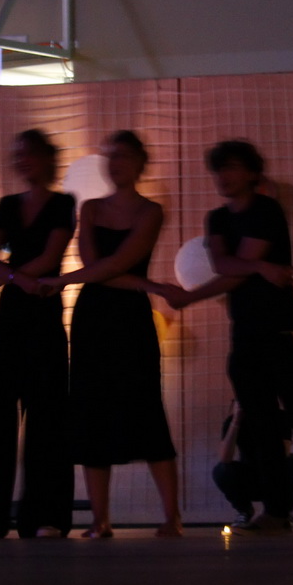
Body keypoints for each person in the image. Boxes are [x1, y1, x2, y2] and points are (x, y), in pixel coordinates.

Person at [157, 139, 293, 533]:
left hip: (280, 328)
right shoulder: (217, 219)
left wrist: (198, 293)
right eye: (219, 169)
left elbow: (235, 267)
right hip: (245, 331)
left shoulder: (266, 210)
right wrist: (259, 268)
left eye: (232, 167)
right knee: (260, 425)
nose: (223, 176)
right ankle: (276, 511)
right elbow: (224, 264)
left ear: (252, 172)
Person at [43, 130, 180, 538]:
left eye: (123, 156)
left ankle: (171, 517)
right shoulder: (90, 208)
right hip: (94, 317)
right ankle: (99, 520)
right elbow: (96, 267)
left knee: (145, 406)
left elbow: (118, 262)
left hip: (130, 319)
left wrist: (63, 280)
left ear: (140, 162)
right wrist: (150, 286)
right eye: (110, 156)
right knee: (91, 410)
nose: (115, 163)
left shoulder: (151, 211)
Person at [0, 129, 77, 539]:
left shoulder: (63, 203)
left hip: (44, 312)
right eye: (18, 154)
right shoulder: (7, 205)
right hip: (12, 313)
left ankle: (46, 516)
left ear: (47, 157)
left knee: (47, 413)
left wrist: (15, 277)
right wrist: (18, 280)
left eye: (29, 153)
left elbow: (52, 255)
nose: (22, 160)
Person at [211, 401, 293, 525]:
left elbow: (284, 453)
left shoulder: (280, 417)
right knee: (221, 470)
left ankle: (283, 512)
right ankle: (244, 511)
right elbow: (224, 458)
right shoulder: (233, 421)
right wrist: (236, 421)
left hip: (275, 476)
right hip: (250, 478)